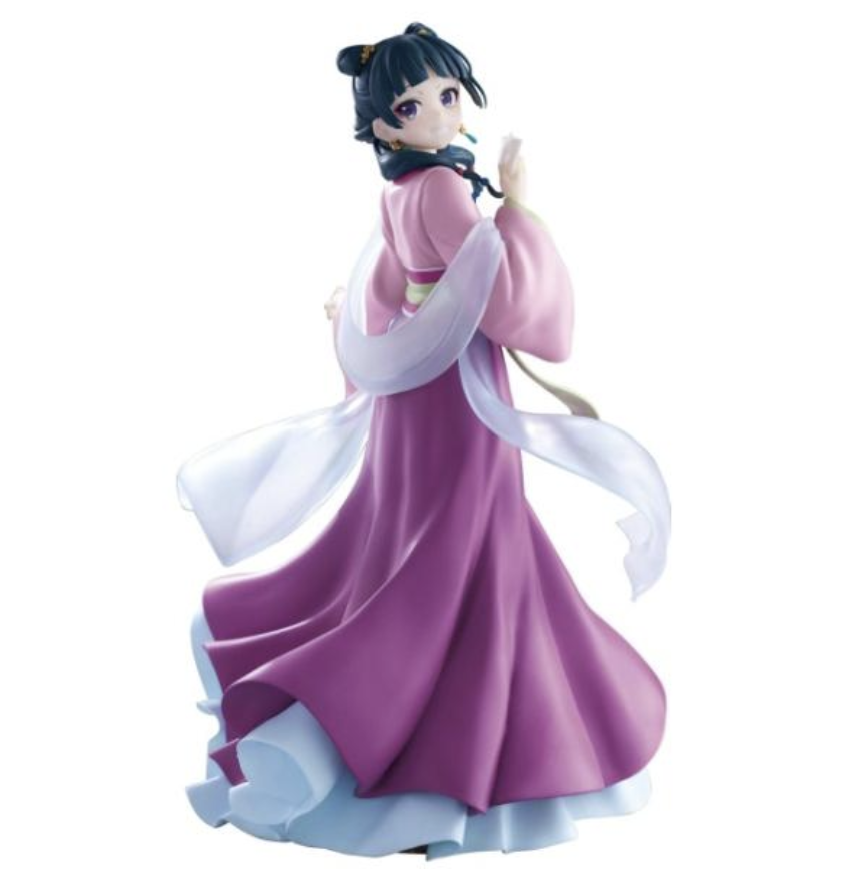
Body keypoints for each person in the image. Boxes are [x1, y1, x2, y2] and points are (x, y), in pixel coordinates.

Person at [178, 22, 672, 861]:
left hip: (416, 394)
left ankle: (396, 742)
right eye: (416, 106)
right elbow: (509, 304)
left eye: (449, 94)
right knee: (456, 555)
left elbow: (387, 289)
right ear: (383, 126)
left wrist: (361, 328)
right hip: (456, 394)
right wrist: (518, 206)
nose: (441, 113)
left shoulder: (404, 190)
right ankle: (381, 746)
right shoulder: (441, 188)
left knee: (420, 547)